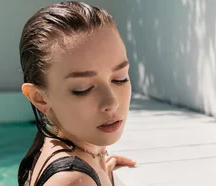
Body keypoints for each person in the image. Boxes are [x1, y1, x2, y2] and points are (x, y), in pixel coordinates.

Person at [17, 1, 136, 185]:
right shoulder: (73, 179)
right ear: (39, 98)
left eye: (120, 78)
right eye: (83, 89)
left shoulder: (56, 146)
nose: (111, 102)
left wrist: (100, 167)